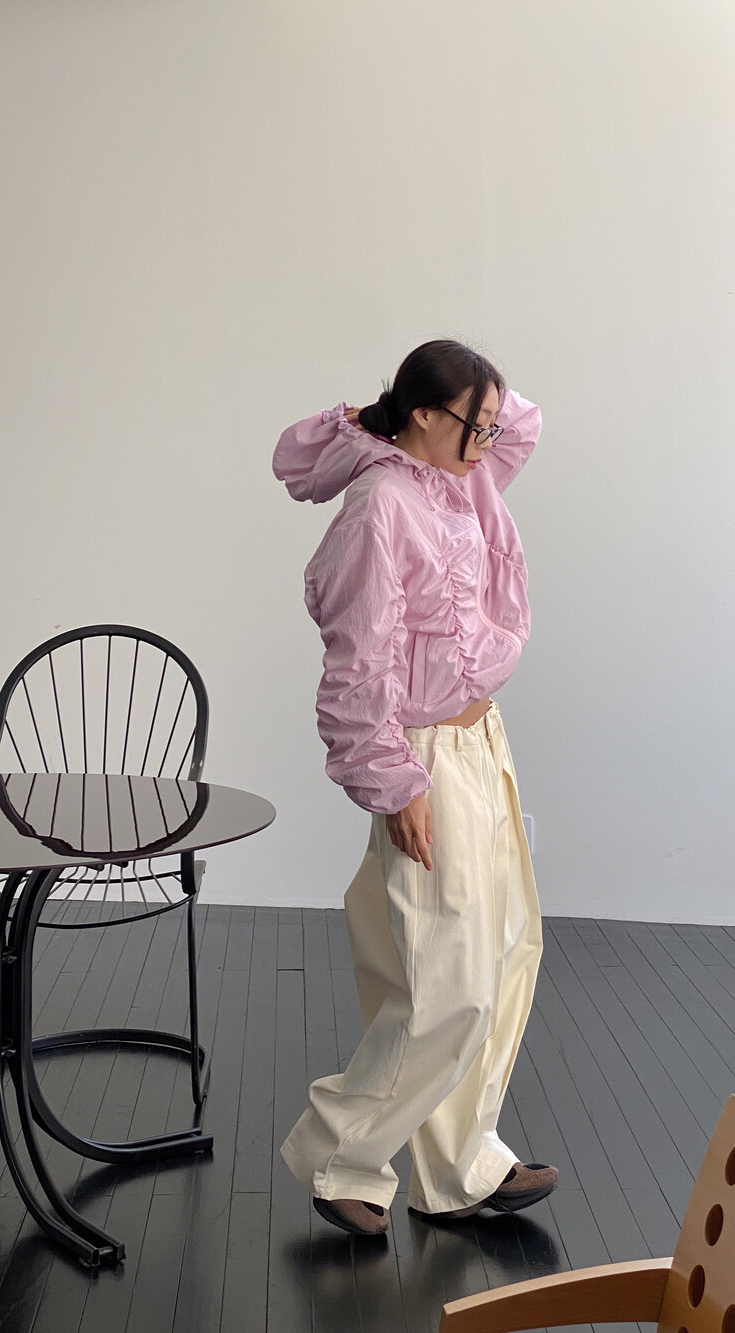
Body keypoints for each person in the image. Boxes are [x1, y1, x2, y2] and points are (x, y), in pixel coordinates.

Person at [271, 339, 557, 1237]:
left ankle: (460, 1162)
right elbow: (357, 661)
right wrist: (395, 784)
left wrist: (455, 401)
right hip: (426, 754)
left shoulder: (463, 472)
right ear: (426, 415)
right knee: (447, 978)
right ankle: (339, 1154)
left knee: (506, 953)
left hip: (483, 743)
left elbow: (523, 426)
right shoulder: (380, 506)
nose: (494, 437)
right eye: (476, 421)